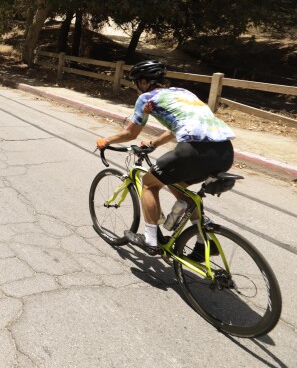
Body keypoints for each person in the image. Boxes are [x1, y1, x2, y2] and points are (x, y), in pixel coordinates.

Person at [95, 60, 235, 259]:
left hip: (194, 149)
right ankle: (204, 242)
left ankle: (151, 241)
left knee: (149, 184)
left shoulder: (146, 98)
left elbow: (131, 133)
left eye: (135, 82)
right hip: (225, 151)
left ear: (143, 82)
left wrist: (105, 140)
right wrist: (154, 143)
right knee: (178, 184)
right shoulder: (185, 93)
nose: (135, 87)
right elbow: (180, 125)